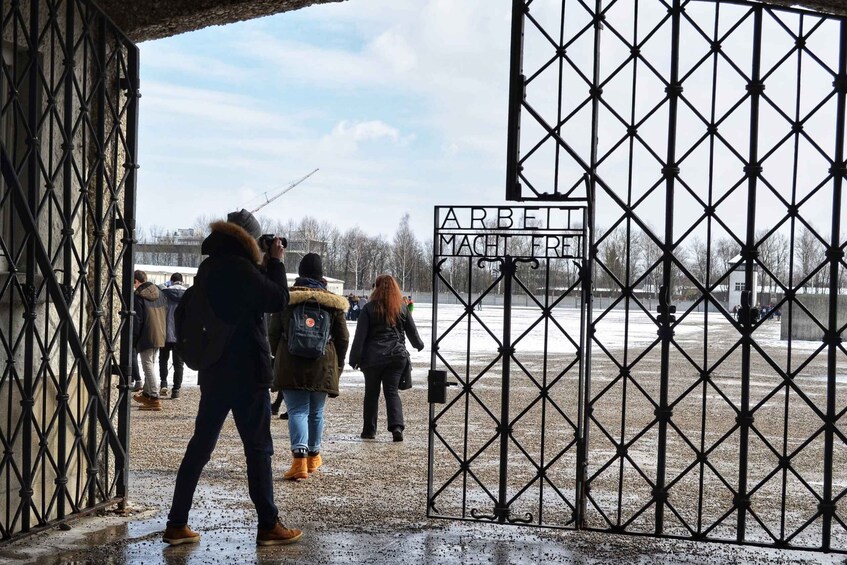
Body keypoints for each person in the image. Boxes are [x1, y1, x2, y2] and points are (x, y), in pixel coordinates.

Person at [163, 209, 302, 547]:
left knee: (200, 447)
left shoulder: (210, 267)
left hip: (214, 371)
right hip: (247, 374)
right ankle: (268, 525)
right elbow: (277, 299)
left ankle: (176, 522)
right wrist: (278, 262)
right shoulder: (241, 269)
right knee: (258, 450)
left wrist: (263, 265)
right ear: (249, 240)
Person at [269, 253, 349, 480]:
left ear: (300, 273)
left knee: (297, 411)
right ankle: (314, 457)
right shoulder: (333, 303)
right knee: (317, 412)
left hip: (291, 363)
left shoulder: (288, 299)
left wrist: (280, 354)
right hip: (323, 364)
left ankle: (299, 462)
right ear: (321, 274)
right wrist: (338, 364)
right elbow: (343, 338)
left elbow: (272, 333)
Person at [348, 274, 424, 442]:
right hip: (396, 356)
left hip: (372, 358)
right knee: (391, 392)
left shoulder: (368, 308)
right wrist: (419, 344)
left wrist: (354, 358)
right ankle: (397, 427)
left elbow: (360, 337)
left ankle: (369, 430)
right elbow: (412, 332)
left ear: (376, 288)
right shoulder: (401, 308)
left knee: (371, 393)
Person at [132, 270, 167, 411]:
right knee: (151, 363)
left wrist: (133, 338)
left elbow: (137, 319)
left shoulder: (139, 296)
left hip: (146, 334)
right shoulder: (159, 293)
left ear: (136, 281)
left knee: (147, 365)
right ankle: (147, 394)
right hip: (159, 332)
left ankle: (154, 396)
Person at [160, 272, 188, 399]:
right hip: (180, 334)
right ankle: (176, 389)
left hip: (165, 331)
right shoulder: (188, 294)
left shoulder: (164, 293)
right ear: (181, 281)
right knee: (179, 363)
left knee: (163, 360)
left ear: (171, 281)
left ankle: (163, 383)